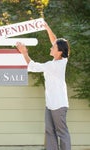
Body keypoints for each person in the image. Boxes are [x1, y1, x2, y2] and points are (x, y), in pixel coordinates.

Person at [16, 22, 71, 150]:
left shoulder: (55, 66)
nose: (50, 48)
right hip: (50, 104)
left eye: (53, 47)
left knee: (62, 133)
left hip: (59, 105)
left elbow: (33, 66)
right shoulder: (61, 59)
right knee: (49, 132)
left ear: (59, 51)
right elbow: (55, 40)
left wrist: (24, 52)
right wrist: (47, 28)